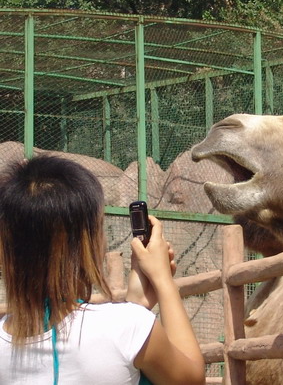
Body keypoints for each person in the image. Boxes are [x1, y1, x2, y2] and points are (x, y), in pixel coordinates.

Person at [0, 155, 205, 385]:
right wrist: (163, 280)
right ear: (87, 243)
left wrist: (136, 305)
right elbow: (191, 379)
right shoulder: (126, 326)